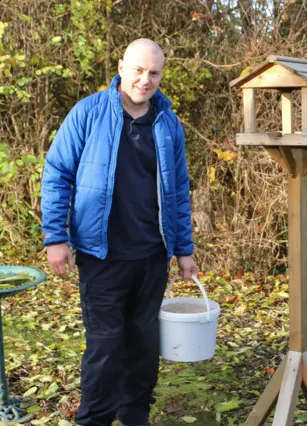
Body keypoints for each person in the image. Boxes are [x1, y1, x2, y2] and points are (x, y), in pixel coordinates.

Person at [41, 39, 198, 426]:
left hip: (151, 255)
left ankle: (134, 416)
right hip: (101, 254)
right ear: (121, 66)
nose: (146, 80)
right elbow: (57, 174)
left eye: (154, 73)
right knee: (106, 345)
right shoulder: (89, 113)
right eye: (139, 70)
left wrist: (184, 249)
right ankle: (93, 420)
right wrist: (55, 237)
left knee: (143, 343)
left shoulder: (167, 123)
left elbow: (178, 190)